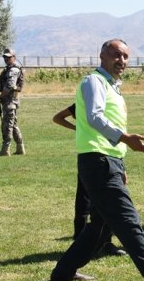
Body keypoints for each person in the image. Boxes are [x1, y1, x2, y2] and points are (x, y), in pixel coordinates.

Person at [50, 39, 144, 281]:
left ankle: (63, 271)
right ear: (102, 55)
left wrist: (120, 161)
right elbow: (95, 117)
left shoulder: (112, 87)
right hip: (98, 161)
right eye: (116, 55)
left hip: (107, 160)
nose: (122, 61)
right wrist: (125, 139)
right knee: (128, 220)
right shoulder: (94, 81)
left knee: (100, 226)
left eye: (126, 56)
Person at [52, 103, 126, 257]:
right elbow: (58, 118)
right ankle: (80, 241)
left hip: (110, 155)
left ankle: (106, 242)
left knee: (107, 202)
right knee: (84, 201)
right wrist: (78, 128)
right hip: (90, 155)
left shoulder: (109, 103)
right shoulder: (84, 103)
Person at [0, 48, 25, 156]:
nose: (6, 59)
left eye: (9, 57)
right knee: (13, 125)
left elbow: (9, 86)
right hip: (9, 101)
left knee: (7, 126)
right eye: (5, 57)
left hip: (10, 101)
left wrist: (0, 97)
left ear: (14, 57)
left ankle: (5, 149)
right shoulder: (8, 69)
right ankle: (20, 148)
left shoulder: (13, 70)